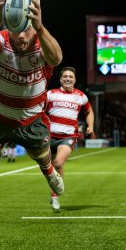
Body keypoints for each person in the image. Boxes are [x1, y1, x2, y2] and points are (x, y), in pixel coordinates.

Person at [0, 0, 65, 196]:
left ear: (32, 24)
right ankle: (0, 140)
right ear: (8, 25)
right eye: (15, 28)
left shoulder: (41, 42)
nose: (20, 36)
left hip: (31, 120)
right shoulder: (1, 39)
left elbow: (56, 58)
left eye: (25, 29)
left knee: (41, 157)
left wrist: (40, 28)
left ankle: (49, 173)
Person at [45, 66, 94, 210]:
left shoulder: (80, 96)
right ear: (60, 79)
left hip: (68, 137)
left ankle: (55, 196)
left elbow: (89, 111)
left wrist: (90, 125)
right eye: (65, 76)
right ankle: (55, 191)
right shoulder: (51, 94)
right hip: (49, 137)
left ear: (75, 80)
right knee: (49, 167)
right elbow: (39, 110)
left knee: (59, 163)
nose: (68, 78)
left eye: (70, 77)